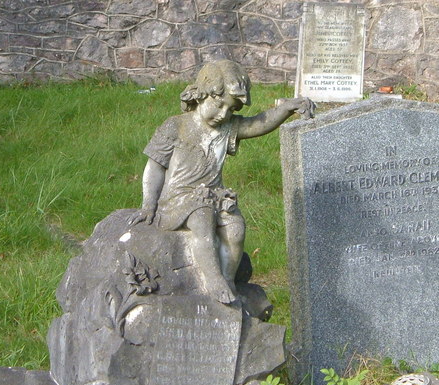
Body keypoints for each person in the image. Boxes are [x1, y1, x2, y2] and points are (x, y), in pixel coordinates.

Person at [128, 60, 315, 304]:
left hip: (214, 196)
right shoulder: (176, 126)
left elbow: (259, 123)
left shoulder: (228, 127)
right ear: (202, 94)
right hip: (177, 200)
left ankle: (228, 281)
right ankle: (213, 281)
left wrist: (287, 109)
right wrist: (148, 205)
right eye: (219, 105)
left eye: (231, 109)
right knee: (202, 218)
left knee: (236, 227)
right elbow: (154, 167)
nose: (223, 115)